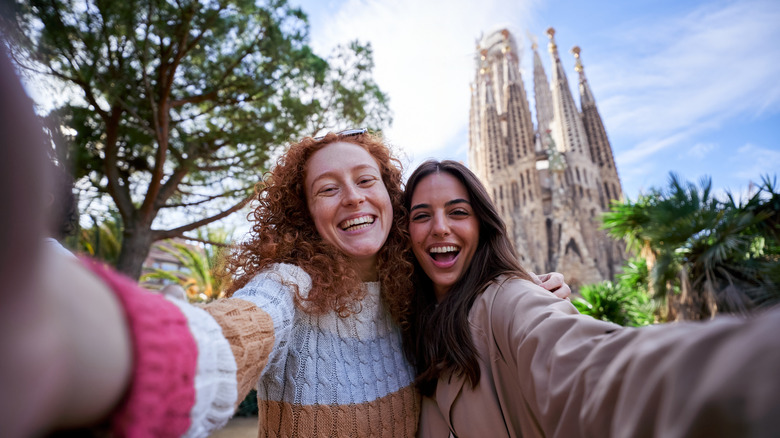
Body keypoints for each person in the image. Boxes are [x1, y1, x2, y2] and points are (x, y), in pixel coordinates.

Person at [0, 45, 571, 437]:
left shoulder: (413, 297)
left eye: (366, 180)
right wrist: (65, 327)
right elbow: (220, 344)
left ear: (390, 200)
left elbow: (477, 315)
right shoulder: (288, 290)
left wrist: (528, 292)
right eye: (328, 189)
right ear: (304, 213)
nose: (352, 197)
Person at [401, 159, 780, 438]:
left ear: (482, 224)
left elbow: (588, 366)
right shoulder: (410, 325)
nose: (440, 227)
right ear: (405, 231)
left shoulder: (508, 300)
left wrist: (748, 367)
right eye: (422, 216)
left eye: (458, 212)